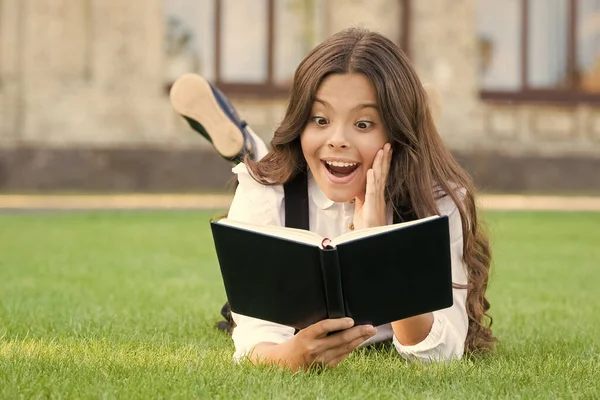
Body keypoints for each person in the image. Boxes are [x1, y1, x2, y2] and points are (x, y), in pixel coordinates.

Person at [170, 28, 495, 369]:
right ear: (300, 123)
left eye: (365, 123)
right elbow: (256, 339)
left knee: (411, 174)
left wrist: (381, 246)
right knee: (265, 172)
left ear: (397, 131)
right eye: (320, 119)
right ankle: (248, 148)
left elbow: (443, 354)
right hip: (282, 193)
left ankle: (408, 127)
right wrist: (292, 357)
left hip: (405, 174)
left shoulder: (438, 200)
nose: (337, 139)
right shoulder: (267, 193)